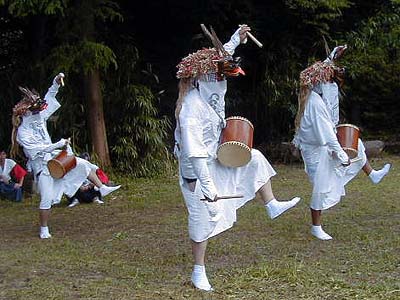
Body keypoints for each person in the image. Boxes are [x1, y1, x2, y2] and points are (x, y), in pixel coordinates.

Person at [174, 25, 301, 291]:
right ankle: (199, 270)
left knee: (253, 158)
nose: (222, 81)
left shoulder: (212, 91)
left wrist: (236, 39)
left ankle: (271, 204)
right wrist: (208, 188)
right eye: (217, 76)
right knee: (202, 221)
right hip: (197, 173)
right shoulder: (191, 108)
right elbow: (194, 153)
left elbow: (223, 55)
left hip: (213, 160)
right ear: (201, 77)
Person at [292, 45, 391, 241]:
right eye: (327, 77)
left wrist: (332, 56)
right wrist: (343, 155)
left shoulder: (313, 93)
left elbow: (322, 69)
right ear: (319, 82)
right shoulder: (315, 104)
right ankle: (316, 226)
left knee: (358, 144)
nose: (331, 78)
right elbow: (328, 136)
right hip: (316, 151)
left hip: (320, 147)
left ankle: (372, 174)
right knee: (321, 187)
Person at [10, 73, 121, 239]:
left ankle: (102, 188)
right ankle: (44, 229)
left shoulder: (39, 117)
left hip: (56, 159)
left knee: (83, 164)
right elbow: (37, 151)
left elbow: (48, 99)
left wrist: (55, 83)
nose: (37, 112)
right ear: (24, 114)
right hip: (43, 167)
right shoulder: (22, 133)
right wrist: (57, 144)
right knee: (46, 199)